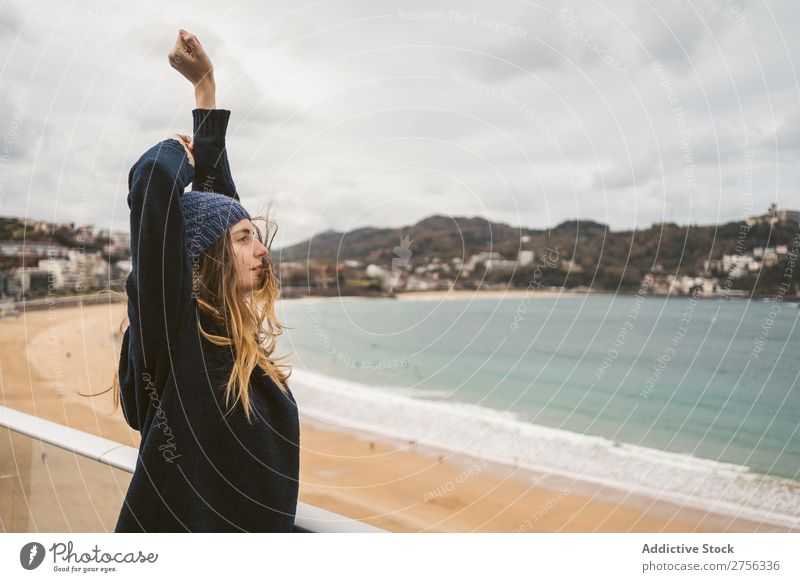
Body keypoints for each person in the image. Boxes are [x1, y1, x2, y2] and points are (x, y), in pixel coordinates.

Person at [110, 29, 300, 532]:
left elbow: (216, 212)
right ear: (206, 261)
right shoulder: (178, 334)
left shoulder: (229, 335)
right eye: (244, 240)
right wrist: (177, 149)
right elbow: (156, 188)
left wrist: (206, 89)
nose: (262, 249)